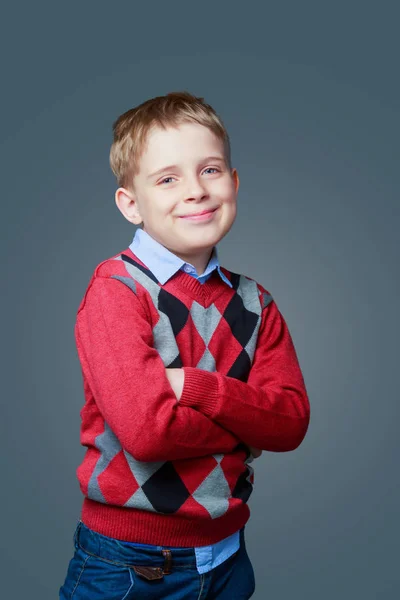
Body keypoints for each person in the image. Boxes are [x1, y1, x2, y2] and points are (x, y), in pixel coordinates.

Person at [59, 90, 310, 599]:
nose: (195, 191)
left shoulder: (257, 304)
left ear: (234, 184)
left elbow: (290, 423)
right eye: (167, 179)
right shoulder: (116, 290)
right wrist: (246, 425)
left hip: (228, 557)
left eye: (211, 170)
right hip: (128, 565)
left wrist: (196, 387)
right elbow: (148, 435)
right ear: (131, 203)